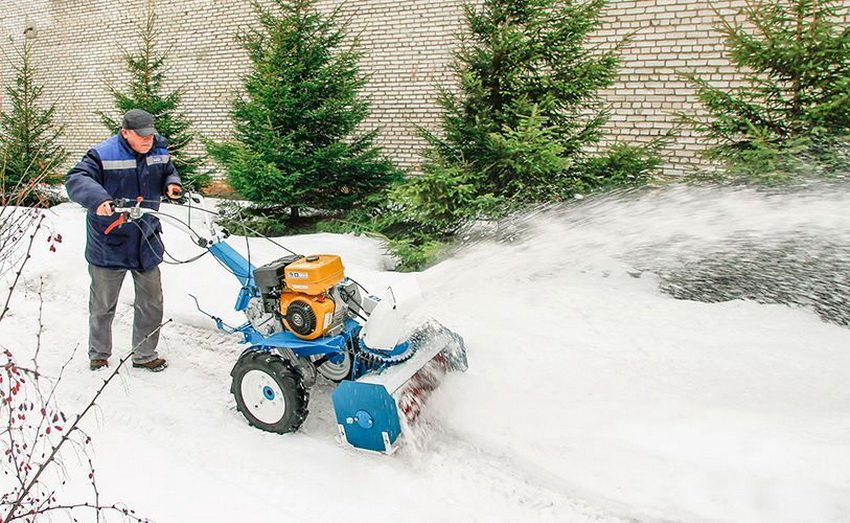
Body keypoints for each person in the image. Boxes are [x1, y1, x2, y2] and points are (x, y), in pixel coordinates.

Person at [65, 109, 182, 372]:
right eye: (141, 136)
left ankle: (144, 354)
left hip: (146, 239)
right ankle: (99, 354)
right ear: (125, 132)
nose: (147, 140)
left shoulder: (158, 150)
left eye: (150, 135)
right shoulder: (103, 154)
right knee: (103, 304)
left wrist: (171, 183)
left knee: (152, 302)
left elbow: (168, 170)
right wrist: (99, 199)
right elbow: (76, 178)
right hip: (110, 241)